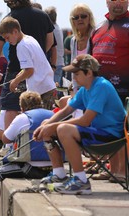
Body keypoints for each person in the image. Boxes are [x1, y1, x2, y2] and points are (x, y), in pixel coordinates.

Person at [33, 54, 126, 195]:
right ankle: (59, 174)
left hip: (111, 136)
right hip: (99, 133)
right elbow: (66, 110)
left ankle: (81, 181)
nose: (73, 78)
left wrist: (54, 126)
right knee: (47, 123)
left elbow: (85, 120)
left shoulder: (101, 86)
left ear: (89, 73)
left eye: (76, 74)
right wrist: (46, 126)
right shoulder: (85, 89)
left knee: (63, 128)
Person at [0, 91, 53, 216]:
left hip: (31, 168)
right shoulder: (53, 114)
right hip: (53, 169)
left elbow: (5, 139)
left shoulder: (22, 117)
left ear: (22, 107)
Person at [0, 0, 54, 130]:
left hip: (19, 70)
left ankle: (9, 143)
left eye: (8, 1)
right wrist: (36, 57)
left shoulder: (10, 22)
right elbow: (50, 41)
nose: (7, 3)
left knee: (10, 106)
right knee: (38, 112)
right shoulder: (42, 17)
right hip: (42, 80)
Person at [90, 0, 129, 182]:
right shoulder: (99, 27)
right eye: (114, 0)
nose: (118, 3)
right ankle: (113, 169)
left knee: (122, 131)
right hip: (102, 90)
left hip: (124, 89)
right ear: (107, 2)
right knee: (109, 130)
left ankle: (122, 172)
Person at [0, 17, 56, 109]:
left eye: (7, 37)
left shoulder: (21, 46)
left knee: (41, 120)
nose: (7, 41)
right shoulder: (30, 39)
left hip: (41, 90)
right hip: (48, 85)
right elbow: (32, 65)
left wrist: (15, 82)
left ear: (15, 31)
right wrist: (19, 75)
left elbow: (29, 71)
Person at [69, 3, 95, 93]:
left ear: (89, 18)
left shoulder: (95, 36)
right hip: (78, 87)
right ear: (73, 21)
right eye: (76, 17)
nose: (80, 19)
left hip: (93, 85)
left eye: (83, 16)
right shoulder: (73, 40)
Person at [44, 6, 64, 90]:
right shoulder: (58, 28)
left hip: (54, 64)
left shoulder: (51, 30)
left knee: (52, 91)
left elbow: (52, 46)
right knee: (56, 91)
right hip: (60, 63)